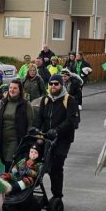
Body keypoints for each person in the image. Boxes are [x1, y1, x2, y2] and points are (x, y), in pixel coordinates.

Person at [35, 74, 79, 203]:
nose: (53, 86)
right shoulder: (45, 99)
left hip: (63, 139)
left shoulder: (69, 100)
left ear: (61, 85)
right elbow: (39, 117)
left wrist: (57, 130)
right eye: (51, 84)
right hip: (46, 137)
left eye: (56, 84)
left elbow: (73, 120)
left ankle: (57, 196)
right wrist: (35, 128)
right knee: (35, 163)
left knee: (56, 166)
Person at [0, 80, 34, 168]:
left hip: (16, 139)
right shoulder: (3, 102)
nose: (12, 90)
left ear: (20, 90)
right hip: (2, 139)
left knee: (9, 163)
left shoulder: (25, 104)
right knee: (3, 161)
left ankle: (8, 180)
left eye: (15, 88)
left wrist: (27, 140)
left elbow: (30, 123)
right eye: (10, 88)